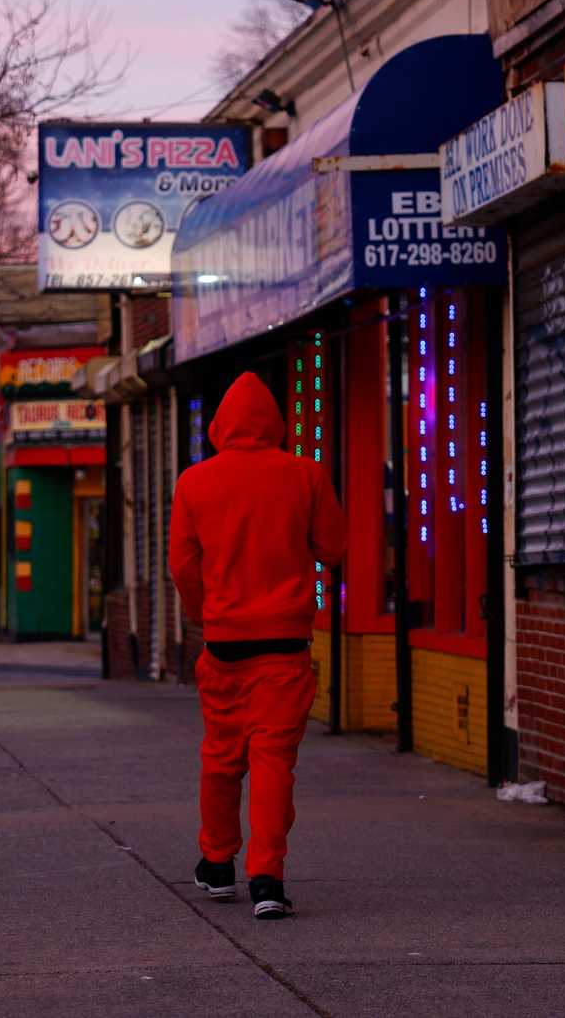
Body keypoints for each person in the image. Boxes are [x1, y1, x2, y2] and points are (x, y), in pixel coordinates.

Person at [169, 371, 346, 919]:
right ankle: (267, 878)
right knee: (273, 761)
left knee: (221, 756)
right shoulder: (305, 475)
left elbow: (183, 565)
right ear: (276, 423)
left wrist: (206, 614)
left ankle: (217, 863)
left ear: (221, 425)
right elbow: (334, 548)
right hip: (285, 642)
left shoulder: (194, 482)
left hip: (225, 643)